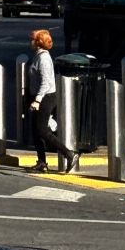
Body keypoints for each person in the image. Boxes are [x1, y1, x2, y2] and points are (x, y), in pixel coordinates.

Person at [28, 28, 78, 173]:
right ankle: (42, 162)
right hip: (38, 97)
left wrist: (37, 100)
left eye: (32, 39)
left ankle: (69, 154)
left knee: (43, 130)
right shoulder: (38, 56)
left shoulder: (43, 59)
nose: (30, 42)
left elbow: (46, 82)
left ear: (38, 42)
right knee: (35, 130)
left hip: (46, 98)